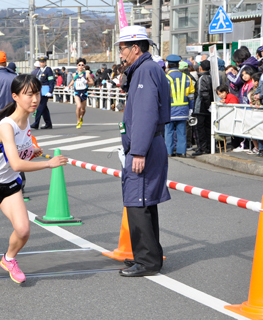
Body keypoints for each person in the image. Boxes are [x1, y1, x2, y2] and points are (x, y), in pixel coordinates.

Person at [0, 74, 68, 283]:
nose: (35, 99)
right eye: (29, 94)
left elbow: (16, 158)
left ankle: (9, 259)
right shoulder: (7, 126)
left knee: (23, 229)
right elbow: (16, 164)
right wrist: (48, 163)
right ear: (15, 96)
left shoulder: (26, 121)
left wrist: (31, 151)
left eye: (37, 93)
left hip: (10, 185)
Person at [116, 25, 171, 277]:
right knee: (144, 202)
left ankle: (147, 261)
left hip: (145, 147)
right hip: (149, 144)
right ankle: (147, 256)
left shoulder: (146, 71)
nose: (120, 53)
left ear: (135, 48)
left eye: (122, 48)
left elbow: (146, 115)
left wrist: (137, 151)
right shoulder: (146, 69)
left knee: (138, 203)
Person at [164, 54, 195, 157]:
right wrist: (191, 108)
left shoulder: (165, 78)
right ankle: (181, 151)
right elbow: (191, 95)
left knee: (169, 131)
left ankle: (169, 151)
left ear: (168, 65)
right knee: (182, 131)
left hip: (169, 110)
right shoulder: (187, 78)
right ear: (178, 65)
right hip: (183, 109)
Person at [192, 60, 213, 156]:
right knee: (208, 128)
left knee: (199, 129)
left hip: (201, 108)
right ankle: (209, 147)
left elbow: (203, 93)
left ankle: (202, 148)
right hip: (208, 108)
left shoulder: (202, 78)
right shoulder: (211, 76)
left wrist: (207, 105)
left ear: (201, 67)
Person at [67, 58, 94, 129]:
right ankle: (78, 121)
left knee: (83, 109)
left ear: (84, 66)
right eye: (79, 65)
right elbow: (73, 81)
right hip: (77, 93)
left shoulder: (87, 74)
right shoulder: (74, 74)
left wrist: (86, 82)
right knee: (78, 106)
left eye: (82, 65)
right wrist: (69, 86)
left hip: (84, 93)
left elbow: (92, 83)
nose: (81, 66)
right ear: (77, 66)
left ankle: (81, 117)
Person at [31, 56, 55, 129]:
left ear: (45, 62)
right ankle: (48, 124)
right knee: (44, 109)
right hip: (40, 90)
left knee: (40, 106)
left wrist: (50, 91)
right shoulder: (40, 70)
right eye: (40, 62)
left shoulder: (48, 70)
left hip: (45, 90)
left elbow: (51, 81)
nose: (42, 63)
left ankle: (36, 123)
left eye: (43, 62)